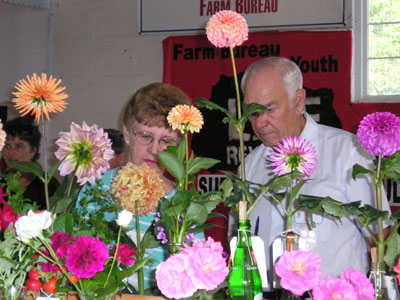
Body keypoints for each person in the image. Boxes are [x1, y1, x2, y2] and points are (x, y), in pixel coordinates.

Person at [230, 57, 391, 290]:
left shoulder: (347, 152)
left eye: (269, 109)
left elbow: (380, 239)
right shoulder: (250, 165)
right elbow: (237, 242)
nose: (260, 123)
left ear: (298, 101)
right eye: (252, 113)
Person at [77, 82, 203, 291]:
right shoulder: (95, 188)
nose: (155, 149)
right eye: (145, 136)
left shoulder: (184, 205)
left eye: (167, 140)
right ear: (127, 134)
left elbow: (198, 280)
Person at [1, 116, 59, 210]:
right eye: (7, 146)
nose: (11, 152)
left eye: (18, 146)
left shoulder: (47, 186)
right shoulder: (1, 182)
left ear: (33, 151)